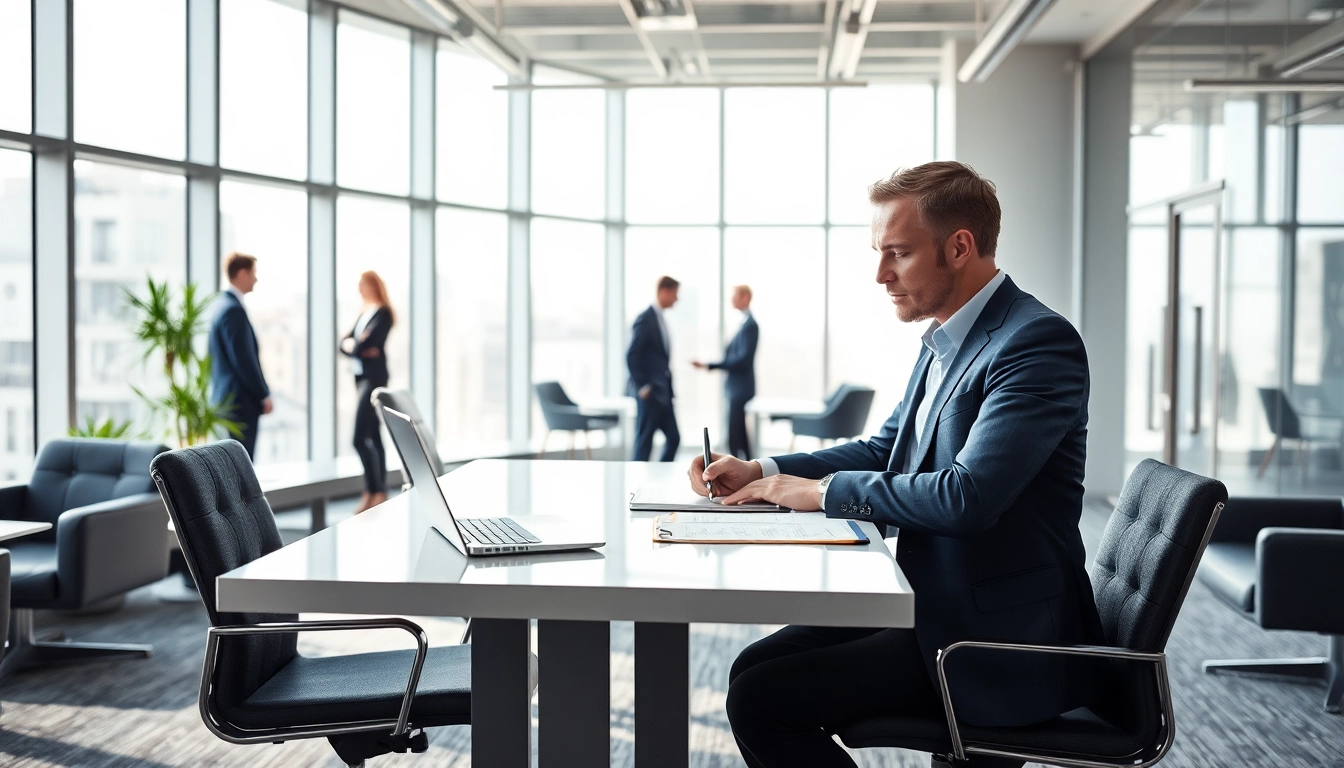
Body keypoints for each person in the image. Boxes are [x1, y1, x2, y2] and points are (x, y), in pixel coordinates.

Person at [688, 161, 1103, 768]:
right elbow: (886, 450)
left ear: (959, 247)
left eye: (898, 254)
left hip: (993, 636)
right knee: (754, 665)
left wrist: (824, 493)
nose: (880, 275)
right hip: (935, 600)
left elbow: (969, 497)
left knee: (762, 698)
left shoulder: (1035, 343)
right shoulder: (945, 339)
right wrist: (760, 470)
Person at [209, 253, 272, 460]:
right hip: (240, 403)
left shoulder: (220, 305)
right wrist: (263, 394)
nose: (256, 279)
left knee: (232, 467)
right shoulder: (233, 310)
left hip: (227, 400)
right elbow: (244, 360)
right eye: (254, 273)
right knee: (241, 467)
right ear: (242, 273)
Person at [340, 271, 394, 513]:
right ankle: (378, 492)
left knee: (359, 438)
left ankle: (373, 490)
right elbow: (344, 344)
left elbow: (364, 343)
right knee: (374, 435)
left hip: (374, 380)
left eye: (362, 284)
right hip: (360, 378)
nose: (359, 289)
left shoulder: (384, 313)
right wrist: (358, 346)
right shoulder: (365, 313)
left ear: (373, 285)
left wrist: (358, 345)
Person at [693, 285, 759, 459]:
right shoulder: (744, 324)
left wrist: (710, 365)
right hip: (736, 388)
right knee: (739, 435)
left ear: (746, 297)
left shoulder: (750, 325)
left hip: (740, 389)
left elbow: (742, 360)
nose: (732, 299)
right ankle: (750, 468)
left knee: (734, 436)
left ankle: (738, 471)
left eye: (736, 295)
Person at [627, 276, 682, 462]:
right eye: (675, 294)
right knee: (644, 443)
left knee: (674, 438)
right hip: (650, 394)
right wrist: (643, 386)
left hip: (663, 393)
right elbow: (631, 355)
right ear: (665, 291)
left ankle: (660, 477)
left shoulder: (659, 318)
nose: (677, 299)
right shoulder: (645, 318)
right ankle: (635, 487)